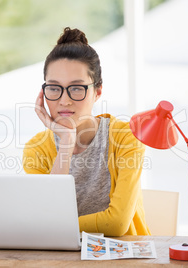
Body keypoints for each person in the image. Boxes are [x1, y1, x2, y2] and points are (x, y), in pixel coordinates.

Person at [23, 27, 151, 236]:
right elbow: (45, 215)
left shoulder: (127, 137)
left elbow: (117, 224)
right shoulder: (35, 149)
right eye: (54, 88)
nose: (64, 100)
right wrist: (65, 144)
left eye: (77, 88)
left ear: (97, 91)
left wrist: (56, 226)